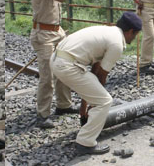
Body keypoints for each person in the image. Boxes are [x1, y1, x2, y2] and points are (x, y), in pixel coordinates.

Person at [51, 12, 142, 155]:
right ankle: (85, 143)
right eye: (135, 35)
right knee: (105, 101)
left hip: (57, 59)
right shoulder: (117, 44)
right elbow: (101, 77)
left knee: (96, 96)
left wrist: (83, 109)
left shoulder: (106, 31)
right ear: (131, 31)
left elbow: (94, 73)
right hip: (67, 66)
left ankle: (86, 128)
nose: (134, 38)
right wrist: (93, 104)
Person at [31, 0, 74, 128]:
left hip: (57, 32)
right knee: (47, 76)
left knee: (63, 69)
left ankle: (64, 105)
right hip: (44, 35)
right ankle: (43, 114)